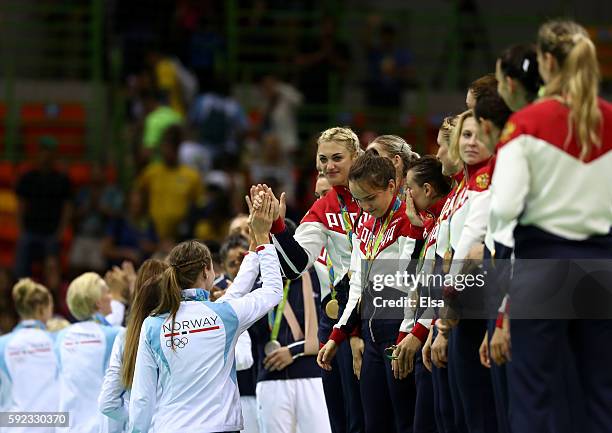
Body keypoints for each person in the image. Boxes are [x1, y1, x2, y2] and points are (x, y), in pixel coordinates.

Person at [489, 20, 612, 433]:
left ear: (544, 60)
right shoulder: (609, 120)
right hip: (601, 267)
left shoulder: (526, 124)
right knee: (600, 394)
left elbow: (503, 207)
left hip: (543, 266)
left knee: (534, 394)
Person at [128, 192, 283, 433]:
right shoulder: (225, 315)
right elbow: (272, 291)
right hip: (220, 426)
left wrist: (253, 248)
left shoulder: (153, 324)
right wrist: (263, 238)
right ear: (207, 271)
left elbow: (141, 397)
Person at [257, 126, 365, 433]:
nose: (328, 166)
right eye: (322, 159)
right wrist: (276, 226)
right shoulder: (324, 207)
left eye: (337, 158)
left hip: (378, 311)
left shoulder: (378, 193)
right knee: (342, 417)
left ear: (355, 157)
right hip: (338, 321)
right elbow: (295, 266)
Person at [318, 152, 425, 433]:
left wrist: (415, 230)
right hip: (370, 331)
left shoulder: (408, 220)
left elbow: (409, 278)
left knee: (405, 421)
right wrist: (337, 336)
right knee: (373, 423)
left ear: (392, 186)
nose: (365, 207)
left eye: (370, 198)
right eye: (358, 200)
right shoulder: (364, 226)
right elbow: (357, 288)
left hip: (398, 328)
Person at [250, 218, 331, 433]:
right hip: (270, 376)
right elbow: (252, 332)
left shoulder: (317, 277)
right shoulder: (257, 284)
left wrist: (293, 351)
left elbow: (328, 329)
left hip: (312, 374)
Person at [98, 259, 168, 430]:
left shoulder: (125, 337)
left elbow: (108, 403)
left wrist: (139, 414)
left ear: (137, 290)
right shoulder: (181, 330)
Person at [55, 272, 122, 433]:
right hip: (100, 426)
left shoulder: (61, 337)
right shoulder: (115, 335)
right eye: (107, 292)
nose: (111, 297)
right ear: (98, 302)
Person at [0, 279, 57, 433]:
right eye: (51, 306)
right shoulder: (58, 341)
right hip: (50, 425)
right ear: (42, 309)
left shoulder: (2, 345)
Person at [14, 136, 72, 279]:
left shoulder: (62, 179)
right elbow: (21, 205)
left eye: (49, 151)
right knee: (22, 251)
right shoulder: (27, 177)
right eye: (43, 151)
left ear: (54, 155)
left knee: (52, 263)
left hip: (51, 233)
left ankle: (52, 292)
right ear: (38, 153)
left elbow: (67, 208)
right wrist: (21, 229)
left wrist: (60, 231)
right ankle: (20, 288)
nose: (45, 155)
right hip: (30, 231)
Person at [136, 124, 204, 241]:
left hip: (180, 237)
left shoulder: (191, 176)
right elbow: (138, 196)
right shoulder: (151, 172)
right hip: (152, 236)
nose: (167, 151)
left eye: (171, 147)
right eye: (165, 146)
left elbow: (198, 205)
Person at [495, 44, 542, 112]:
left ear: (509, 84)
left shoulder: (518, 122)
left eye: (499, 81)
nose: (498, 91)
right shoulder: (559, 106)